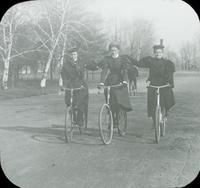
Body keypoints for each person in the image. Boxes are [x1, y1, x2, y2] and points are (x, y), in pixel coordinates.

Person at [131, 39, 175, 126]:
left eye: (160, 52)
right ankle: (155, 121)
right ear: (154, 53)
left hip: (164, 83)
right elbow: (139, 63)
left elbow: (170, 74)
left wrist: (170, 82)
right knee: (152, 103)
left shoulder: (167, 63)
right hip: (153, 84)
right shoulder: (150, 60)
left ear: (162, 53)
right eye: (156, 52)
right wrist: (129, 59)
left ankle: (166, 112)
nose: (158, 54)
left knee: (167, 97)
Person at [97, 42, 132, 134]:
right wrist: (101, 82)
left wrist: (125, 80)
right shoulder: (107, 59)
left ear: (118, 50)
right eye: (111, 50)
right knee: (110, 102)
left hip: (120, 82)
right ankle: (112, 119)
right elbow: (104, 70)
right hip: (111, 80)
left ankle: (121, 125)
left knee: (119, 103)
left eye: (115, 50)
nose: (113, 52)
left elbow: (125, 70)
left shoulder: (122, 59)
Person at [61, 47, 88, 127]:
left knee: (80, 102)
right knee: (69, 102)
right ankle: (74, 118)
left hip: (81, 84)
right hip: (71, 84)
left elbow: (84, 75)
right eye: (72, 54)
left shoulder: (81, 63)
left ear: (77, 54)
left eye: (75, 54)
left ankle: (80, 119)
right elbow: (64, 76)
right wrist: (64, 85)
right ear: (70, 56)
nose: (74, 56)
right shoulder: (66, 65)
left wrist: (83, 84)